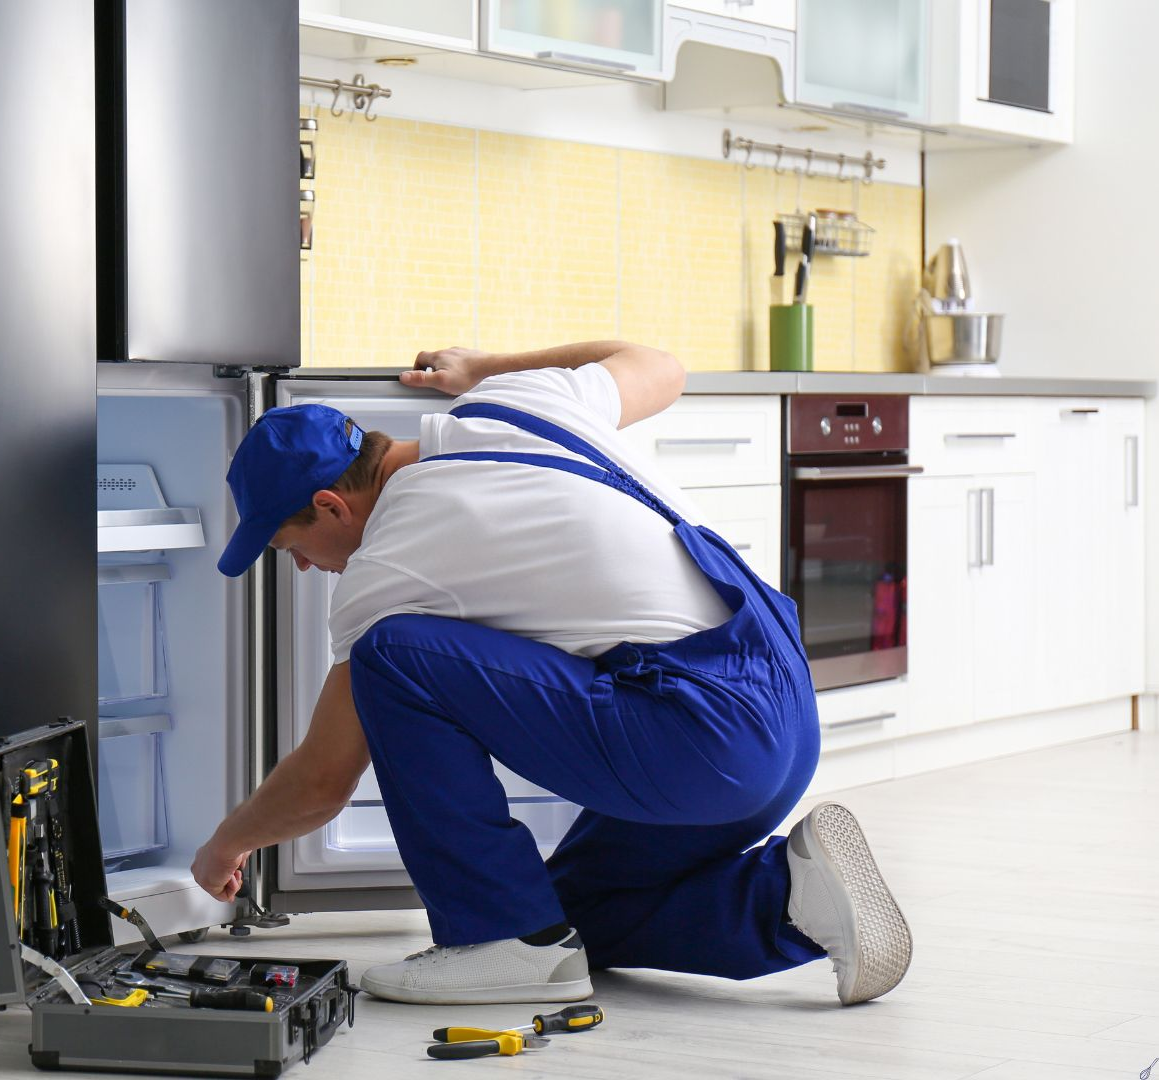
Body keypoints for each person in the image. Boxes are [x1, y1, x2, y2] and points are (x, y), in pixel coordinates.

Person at [190, 341, 912, 1006]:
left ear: (330, 505)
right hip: (778, 710)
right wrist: (491, 368)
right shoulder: (522, 400)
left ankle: (501, 940)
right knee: (575, 918)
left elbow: (324, 778)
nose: (306, 566)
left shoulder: (387, 566)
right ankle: (793, 898)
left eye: (292, 547)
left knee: (390, 656)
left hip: (703, 740)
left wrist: (228, 844)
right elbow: (661, 365)